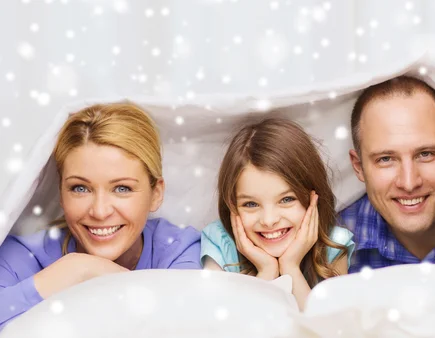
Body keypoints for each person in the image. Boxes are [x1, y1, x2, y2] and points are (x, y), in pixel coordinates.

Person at [0, 103, 202, 329]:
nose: (100, 211)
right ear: (61, 193)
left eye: (122, 188)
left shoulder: (180, 249)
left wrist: (98, 274)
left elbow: (184, 326)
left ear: (156, 193)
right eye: (80, 188)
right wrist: (73, 270)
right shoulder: (22, 255)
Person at [201, 118, 355, 310]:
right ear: (232, 206)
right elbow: (230, 329)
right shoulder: (219, 243)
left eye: (286, 199)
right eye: (250, 204)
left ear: (312, 198)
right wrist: (267, 271)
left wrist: (291, 268)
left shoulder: (333, 245)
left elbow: (326, 330)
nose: (269, 220)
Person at [340, 76, 435, 273]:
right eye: (386, 159)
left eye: (425, 154)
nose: (409, 183)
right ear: (358, 167)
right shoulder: (330, 245)